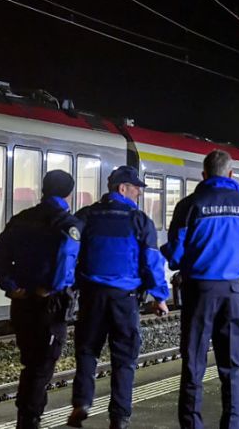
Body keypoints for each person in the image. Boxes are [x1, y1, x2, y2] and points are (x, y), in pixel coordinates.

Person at [161, 150, 239, 429]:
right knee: (232, 367)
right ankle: (233, 424)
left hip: (198, 293)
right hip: (235, 295)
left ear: (204, 174)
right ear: (231, 174)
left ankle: (191, 424)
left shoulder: (189, 206)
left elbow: (175, 255)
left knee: (193, 366)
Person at [68, 165, 170, 429]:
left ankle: (82, 403)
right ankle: (119, 417)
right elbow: (151, 261)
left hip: (91, 297)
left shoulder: (87, 215)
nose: (138, 193)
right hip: (125, 299)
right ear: (122, 188)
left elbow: (68, 248)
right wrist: (159, 297)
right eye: (136, 188)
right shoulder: (139, 220)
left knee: (87, 350)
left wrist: (67, 284)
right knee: (124, 359)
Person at [0, 170, 83, 429]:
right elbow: (66, 260)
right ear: (69, 193)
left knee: (30, 363)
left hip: (21, 304)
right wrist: (50, 287)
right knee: (41, 367)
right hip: (50, 306)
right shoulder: (68, 224)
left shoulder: (22, 219)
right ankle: (29, 420)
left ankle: (27, 418)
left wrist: (10, 285)